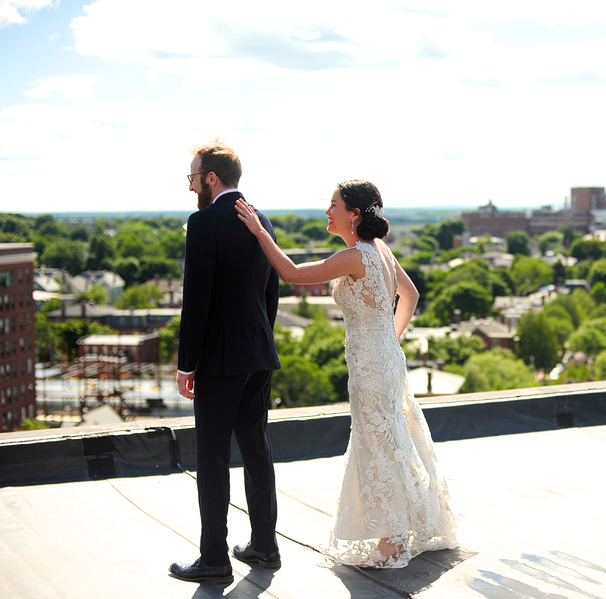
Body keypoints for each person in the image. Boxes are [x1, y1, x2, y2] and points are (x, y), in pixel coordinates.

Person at [235, 180, 457, 568]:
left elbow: (290, 273)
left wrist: (258, 231)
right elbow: (412, 295)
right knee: (394, 440)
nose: (327, 211)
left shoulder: (355, 256)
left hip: (373, 366)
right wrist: (387, 339)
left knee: (379, 444)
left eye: (333, 204)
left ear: (354, 214)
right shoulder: (380, 251)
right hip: (385, 359)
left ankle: (391, 544)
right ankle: (403, 528)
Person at [169, 141, 282, 584]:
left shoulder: (204, 221)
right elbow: (270, 291)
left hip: (219, 358)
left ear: (211, 179)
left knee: (212, 456)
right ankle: (265, 546)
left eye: (193, 178)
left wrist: (186, 364)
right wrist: (259, 339)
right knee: (257, 449)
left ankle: (215, 559)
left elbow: (195, 300)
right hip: (258, 352)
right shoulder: (260, 219)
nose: (192, 186)